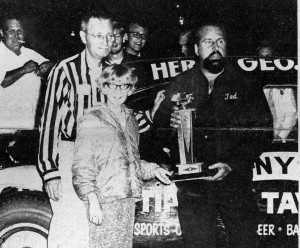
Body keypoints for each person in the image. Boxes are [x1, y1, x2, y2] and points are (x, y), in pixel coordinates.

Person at [154, 22, 272, 248]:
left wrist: (232, 163)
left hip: (235, 183)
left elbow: (262, 133)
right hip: (194, 188)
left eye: (220, 41)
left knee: (245, 243)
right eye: (208, 42)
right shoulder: (181, 83)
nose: (215, 47)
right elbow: (157, 135)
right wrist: (170, 126)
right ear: (197, 49)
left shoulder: (247, 84)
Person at [38, 7, 115, 248]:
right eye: (97, 35)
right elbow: (48, 122)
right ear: (83, 37)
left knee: (100, 231)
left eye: (109, 36)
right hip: (72, 154)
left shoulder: (113, 72)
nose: (105, 42)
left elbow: (123, 119)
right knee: (71, 230)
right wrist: (50, 171)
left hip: (104, 160)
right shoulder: (65, 70)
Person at [72, 64, 172, 248]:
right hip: (104, 199)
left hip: (127, 198)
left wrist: (153, 169)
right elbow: (82, 164)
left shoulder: (131, 120)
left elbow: (130, 161)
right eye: (112, 85)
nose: (118, 90)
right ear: (103, 87)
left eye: (124, 85)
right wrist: (92, 200)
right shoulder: (92, 119)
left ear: (131, 88)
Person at [0, 14, 54, 131]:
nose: (16, 36)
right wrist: (24, 69)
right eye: (11, 31)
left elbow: (53, 66)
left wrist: (49, 65)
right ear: (2, 33)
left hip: (27, 128)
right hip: (3, 131)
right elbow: (3, 82)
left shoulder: (30, 53)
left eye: (20, 31)